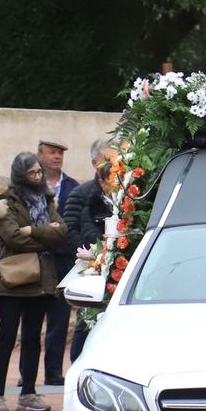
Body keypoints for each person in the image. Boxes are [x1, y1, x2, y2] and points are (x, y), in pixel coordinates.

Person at [0, 152, 68, 411]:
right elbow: (12, 238)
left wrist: (33, 230)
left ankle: (28, 392)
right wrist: (47, 234)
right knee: (7, 336)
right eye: (32, 173)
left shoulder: (47, 200)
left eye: (39, 172)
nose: (37, 177)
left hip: (42, 278)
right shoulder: (5, 203)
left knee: (33, 337)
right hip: (13, 279)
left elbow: (63, 232)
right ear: (20, 175)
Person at [65, 141, 119, 364]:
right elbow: (72, 229)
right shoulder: (85, 194)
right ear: (96, 164)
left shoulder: (125, 193)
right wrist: (95, 255)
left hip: (116, 265)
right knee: (85, 322)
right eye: (109, 161)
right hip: (93, 266)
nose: (114, 166)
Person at [37, 139, 80, 387]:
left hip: (63, 258)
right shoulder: (32, 185)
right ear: (40, 155)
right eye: (52, 152)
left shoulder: (72, 186)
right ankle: (28, 371)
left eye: (60, 153)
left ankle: (53, 371)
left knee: (60, 316)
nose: (57, 157)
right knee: (33, 314)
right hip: (39, 257)